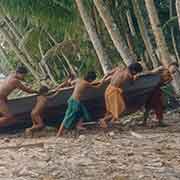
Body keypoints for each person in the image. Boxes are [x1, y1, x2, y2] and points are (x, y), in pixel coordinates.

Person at [57, 71, 105, 136]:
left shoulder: (78, 80)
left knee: (82, 113)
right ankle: (59, 133)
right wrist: (103, 80)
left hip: (73, 100)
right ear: (90, 79)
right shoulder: (86, 83)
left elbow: (71, 83)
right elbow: (97, 87)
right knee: (67, 117)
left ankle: (78, 125)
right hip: (74, 101)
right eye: (92, 80)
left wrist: (70, 80)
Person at [100, 63, 143, 128]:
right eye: (136, 73)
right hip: (114, 91)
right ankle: (103, 120)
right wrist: (135, 78)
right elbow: (132, 83)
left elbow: (108, 73)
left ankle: (111, 122)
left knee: (111, 108)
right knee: (121, 109)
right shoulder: (129, 75)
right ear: (134, 71)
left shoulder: (120, 68)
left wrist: (102, 80)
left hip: (108, 89)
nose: (136, 74)